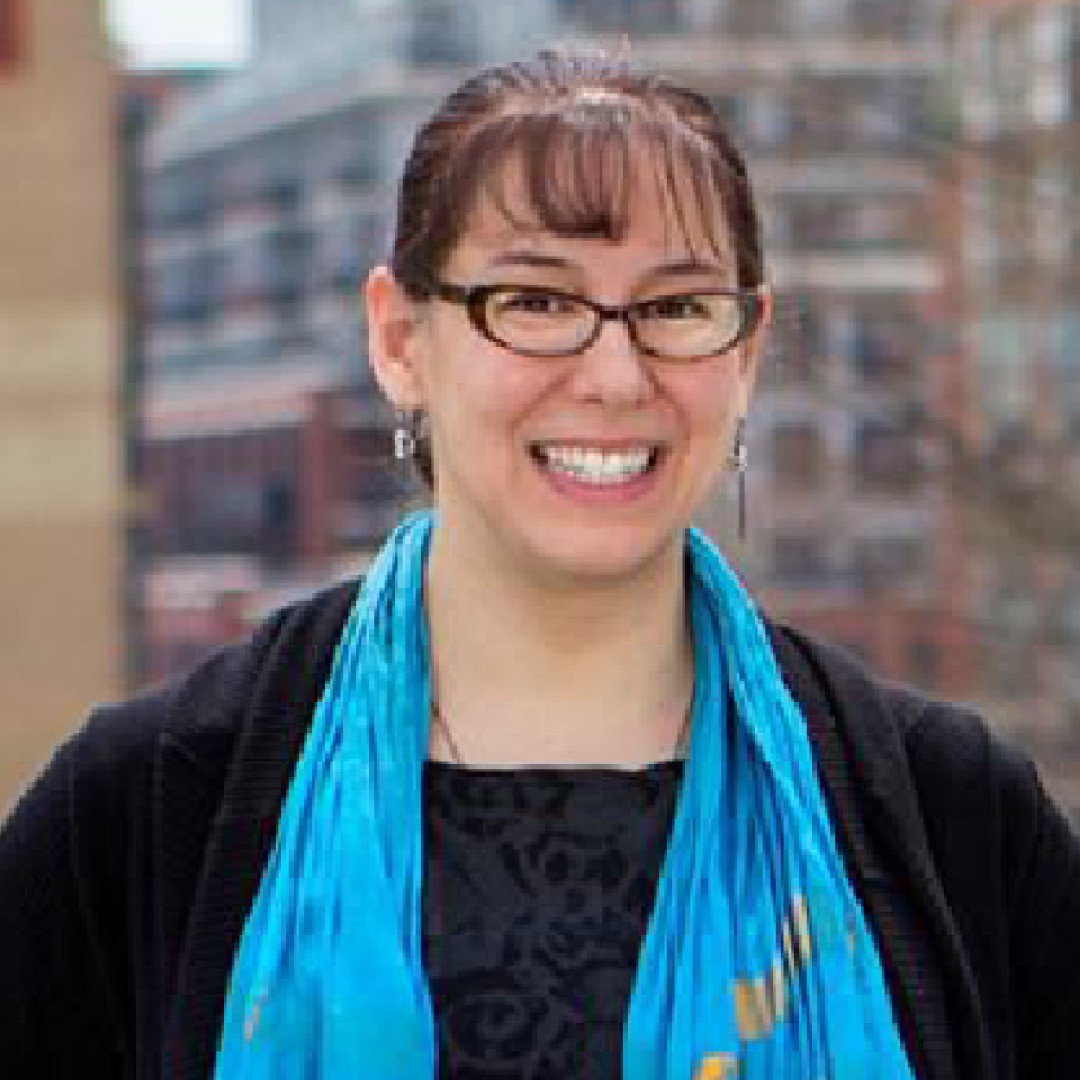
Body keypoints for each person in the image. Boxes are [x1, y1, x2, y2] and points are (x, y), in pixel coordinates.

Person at [1, 47, 1078, 1080]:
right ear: (399, 339)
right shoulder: (141, 815)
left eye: (676, 308)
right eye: (537, 302)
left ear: (746, 350)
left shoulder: (958, 820)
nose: (615, 375)